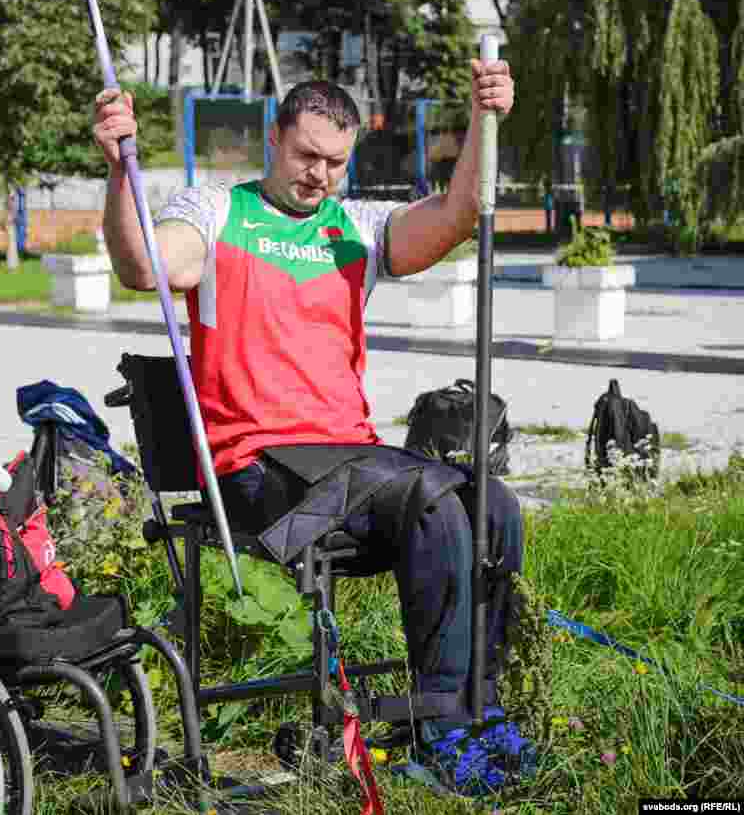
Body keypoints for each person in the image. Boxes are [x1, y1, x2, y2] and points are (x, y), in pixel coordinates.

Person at [93, 57, 536, 795]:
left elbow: (457, 217)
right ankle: (443, 734)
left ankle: (479, 713)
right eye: (306, 156)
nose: (319, 175)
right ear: (274, 139)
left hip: (349, 469)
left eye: (335, 162)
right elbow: (143, 266)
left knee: (493, 503)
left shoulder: (354, 227)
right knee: (429, 496)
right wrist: (118, 174)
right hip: (259, 478)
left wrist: (484, 121)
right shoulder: (215, 213)